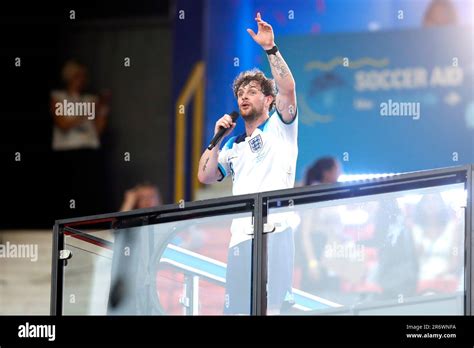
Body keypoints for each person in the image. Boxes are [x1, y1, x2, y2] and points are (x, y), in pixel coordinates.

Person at [197, 12, 298, 314]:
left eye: (252, 92)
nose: (244, 97)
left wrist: (270, 48)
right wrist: (215, 139)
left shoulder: (282, 126)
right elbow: (204, 175)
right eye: (240, 93)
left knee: (270, 310)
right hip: (239, 238)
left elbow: (288, 88)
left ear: (268, 100)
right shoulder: (233, 145)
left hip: (276, 233)